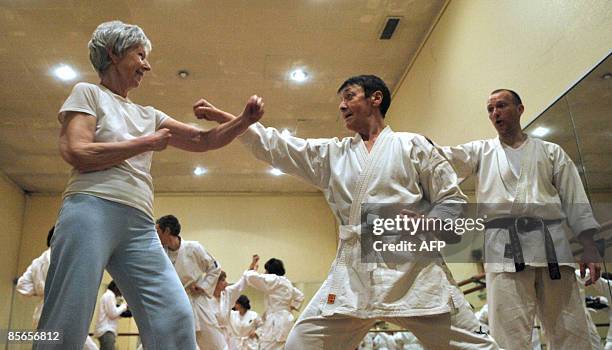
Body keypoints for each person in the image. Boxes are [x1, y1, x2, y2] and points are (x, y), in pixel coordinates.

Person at [194, 75, 499, 349]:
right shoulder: (333, 155)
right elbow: (279, 147)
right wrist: (236, 121)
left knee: (479, 347)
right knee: (302, 343)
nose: (341, 106)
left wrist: (430, 222)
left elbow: (452, 200)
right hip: (354, 275)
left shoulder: (412, 146)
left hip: (414, 269)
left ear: (375, 98)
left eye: (349, 96)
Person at [35, 20, 263, 350]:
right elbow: (77, 151)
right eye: (140, 55)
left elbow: (201, 139)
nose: (147, 64)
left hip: (140, 224)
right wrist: (145, 143)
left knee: (175, 316)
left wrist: (243, 121)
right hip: (90, 210)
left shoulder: (148, 114)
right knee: (67, 320)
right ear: (113, 53)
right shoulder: (88, 93)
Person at [438, 89, 601, 349]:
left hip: (553, 247)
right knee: (507, 334)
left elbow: (575, 199)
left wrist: (590, 247)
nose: (495, 113)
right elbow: (440, 158)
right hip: (504, 252)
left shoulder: (551, 152)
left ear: (520, 109)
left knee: (571, 330)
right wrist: (409, 146)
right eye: (490, 109)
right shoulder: (480, 152)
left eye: (501, 106)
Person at [17, 227, 99, 350]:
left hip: (41, 316)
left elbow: (22, 286)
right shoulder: (65, 258)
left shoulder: (37, 262)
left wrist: (42, 291)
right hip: (62, 315)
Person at [156, 214, 224, 350]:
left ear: (167, 231)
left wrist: (202, 286)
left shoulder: (194, 248)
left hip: (197, 301)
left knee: (215, 343)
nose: (155, 235)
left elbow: (215, 267)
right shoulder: (159, 253)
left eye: (158, 231)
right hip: (174, 303)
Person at [242, 255, 304, 350]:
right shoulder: (286, 282)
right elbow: (300, 296)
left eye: (266, 270)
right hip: (286, 320)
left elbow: (250, 277)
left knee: (267, 347)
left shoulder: (274, 280)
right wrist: (290, 308)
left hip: (276, 323)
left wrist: (253, 266)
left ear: (271, 271)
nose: (265, 273)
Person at [93, 281, 128, 350]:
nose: (121, 293)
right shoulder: (110, 295)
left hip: (106, 331)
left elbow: (111, 314)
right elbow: (113, 314)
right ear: (116, 287)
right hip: (107, 331)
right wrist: (124, 306)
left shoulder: (108, 296)